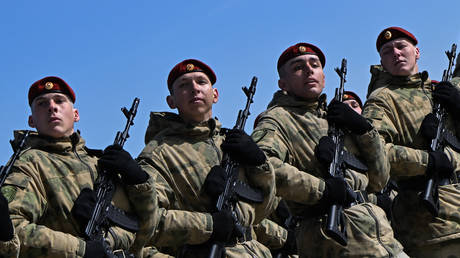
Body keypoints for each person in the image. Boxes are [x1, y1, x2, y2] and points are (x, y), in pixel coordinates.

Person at [252, 42, 406, 257]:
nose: (308, 70)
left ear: (324, 76)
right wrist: (322, 189)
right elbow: (263, 167)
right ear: (283, 83)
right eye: (298, 67)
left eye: (314, 65)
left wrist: (365, 132)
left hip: (381, 237)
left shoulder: (335, 118)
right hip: (332, 239)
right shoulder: (277, 119)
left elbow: (379, 179)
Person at [1, 76, 158, 257]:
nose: (52, 107)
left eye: (59, 101)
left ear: (76, 114)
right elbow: (13, 230)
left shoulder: (100, 163)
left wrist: (139, 183)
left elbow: (147, 230)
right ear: (31, 121)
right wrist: (81, 249)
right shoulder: (29, 164)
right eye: (42, 104)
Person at [137, 59, 276, 257]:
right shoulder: (159, 153)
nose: (194, 89)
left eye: (201, 82)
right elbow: (148, 218)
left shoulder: (232, 144)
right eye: (184, 85)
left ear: (215, 94)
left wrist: (260, 165)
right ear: (171, 101)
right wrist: (209, 225)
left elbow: (265, 209)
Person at [362, 26, 460, 257]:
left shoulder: (437, 91)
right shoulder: (382, 100)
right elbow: (375, 153)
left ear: (417, 52)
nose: (395, 53)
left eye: (401, 46)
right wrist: (429, 161)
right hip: (431, 225)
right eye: (387, 51)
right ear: (382, 62)